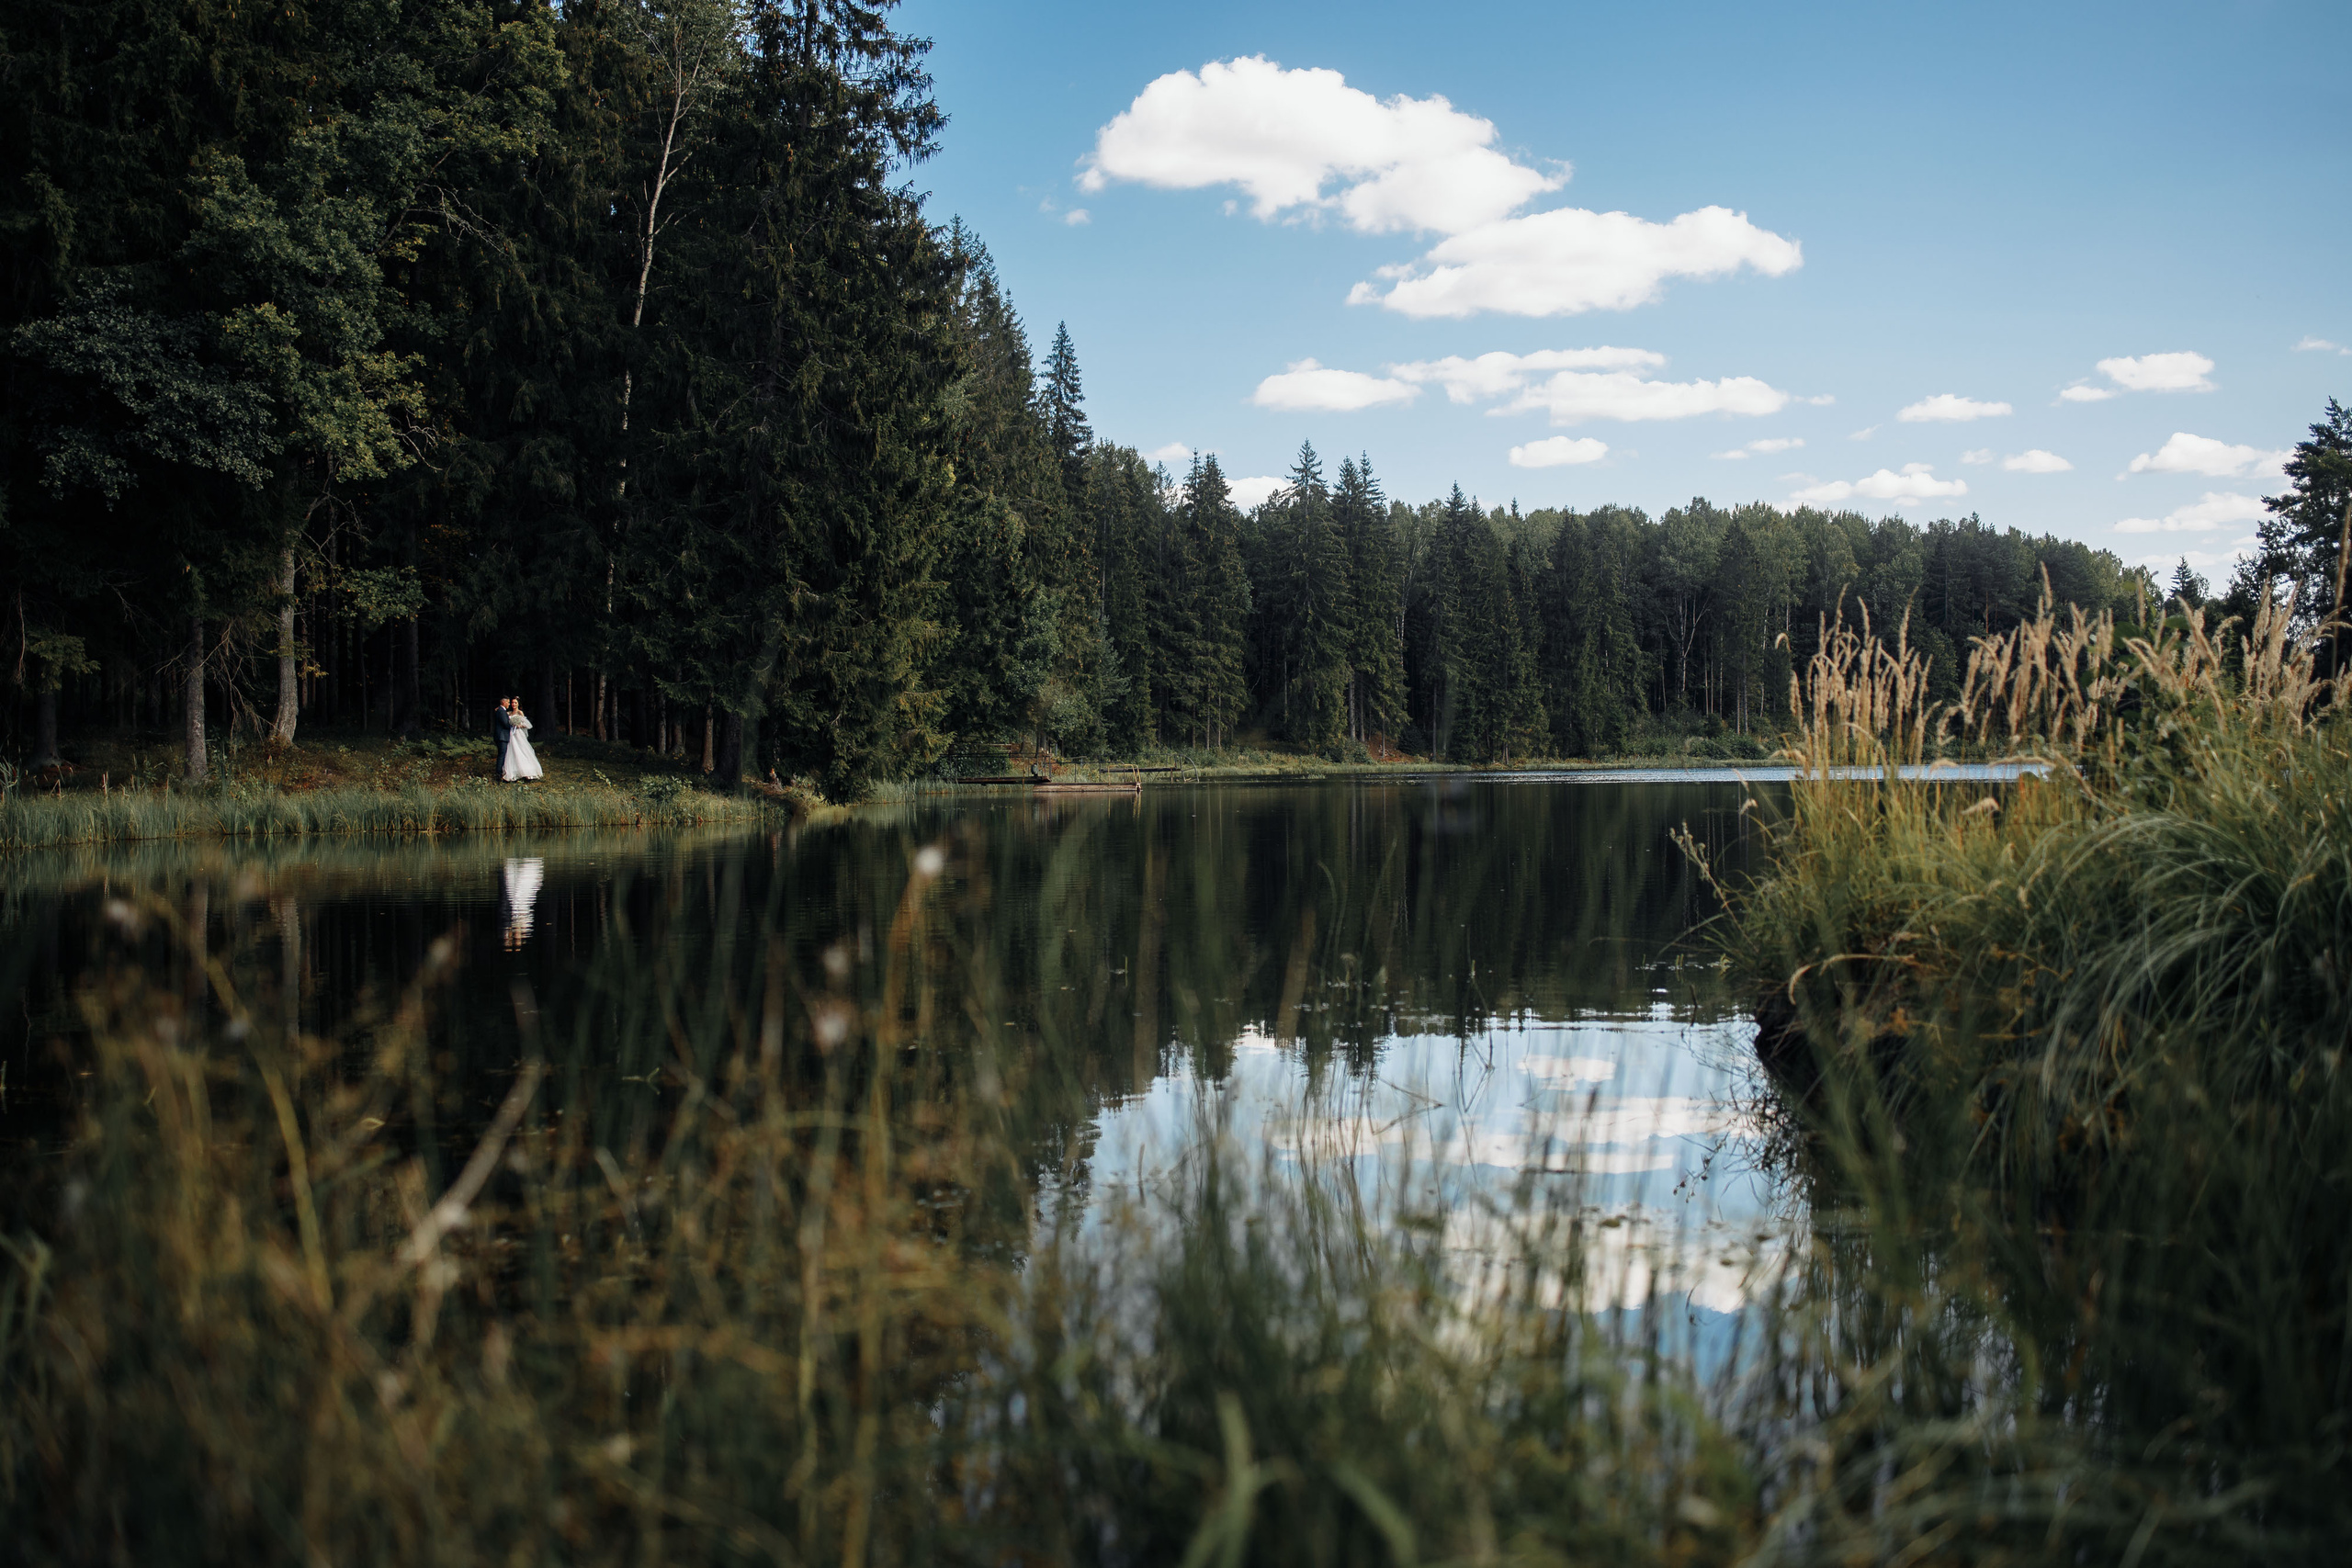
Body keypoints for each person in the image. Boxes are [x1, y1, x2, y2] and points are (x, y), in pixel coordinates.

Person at [499, 696, 544, 783]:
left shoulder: (520, 713)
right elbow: (499, 710)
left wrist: (518, 725)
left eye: (515, 703)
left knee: (522, 750)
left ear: (518, 704)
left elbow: (527, 725)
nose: (513, 704)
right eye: (512, 703)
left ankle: (527, 771)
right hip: (511, 734)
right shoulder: (509, 713)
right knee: (512, 751)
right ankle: (514, 771)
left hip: (518, 733)